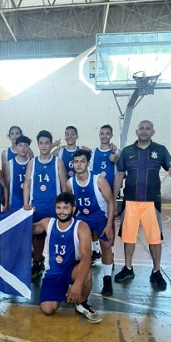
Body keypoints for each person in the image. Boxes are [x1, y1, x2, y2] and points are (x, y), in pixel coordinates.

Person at [112, 120, 171, 289]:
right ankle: (128, 268)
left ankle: (156, 271)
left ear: (153, 132)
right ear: (136, 132)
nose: (144, 131)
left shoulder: (161, 150)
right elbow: (119, 176)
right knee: (128, 237)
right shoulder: (127, 151)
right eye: (141, 128)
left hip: (152, 202)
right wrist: (113, 200)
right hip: (130, 202)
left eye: (147, 128)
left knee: (154, 239)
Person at [32, 192, 101, 323]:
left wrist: (78, 284)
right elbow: (30, 229)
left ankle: (81, 303)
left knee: (85, 273)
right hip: (55, 272)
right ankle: (65, 290)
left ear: (73, 209)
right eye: (58, 208)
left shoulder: (81, 226)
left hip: (72, 269)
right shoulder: (48, 223)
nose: (61, 212)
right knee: (47, 309)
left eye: (65, 208)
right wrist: (24, 215)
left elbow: (87, 256)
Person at [68, 149, 115, 296]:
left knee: (106, 246)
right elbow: (69, 205)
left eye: (82, 161)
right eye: (76, 161)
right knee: (79, 250)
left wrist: (109, 225)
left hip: (100, 217)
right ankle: (77, 277)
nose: (79, 164)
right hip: (82, 218)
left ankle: (107, 279)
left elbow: (111, 202)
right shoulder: (70, 183)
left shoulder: (99, 180)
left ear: (88, 163)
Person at [23, 130, 70, 278]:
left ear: (51, 144)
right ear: (38, 144)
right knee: (38, 237)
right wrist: (25, 203)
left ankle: (59, 266)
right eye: (41, 143)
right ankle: (37, 262)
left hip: (54, 208)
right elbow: (27, 184)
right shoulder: (32, 162)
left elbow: (64, 185)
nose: (44, 146)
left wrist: (65, 207)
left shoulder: (57, 162)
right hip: (36, 207)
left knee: (58, 237)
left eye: (47, 143)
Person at [89, 124, 120, 264]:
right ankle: (96, 250)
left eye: (107, 133)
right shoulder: (94, 153)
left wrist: (117, 157)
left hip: (109, 196)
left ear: (111, 135)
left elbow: (121, 172)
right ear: (99, 135)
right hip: (96, 195)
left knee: (110, 224)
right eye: (102, 133)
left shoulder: (116, 152)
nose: (104, 136)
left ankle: (109, 253)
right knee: (94, 222)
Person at [5, 135, 31, 211]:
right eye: (20, 145)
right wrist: (6, 202)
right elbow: (7, 184)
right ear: (16, 147)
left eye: (26, 146)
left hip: (30, 202)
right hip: (14, 201)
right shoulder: (10, 164)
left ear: (29, 148)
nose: (23, 148)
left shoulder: (33, 162)